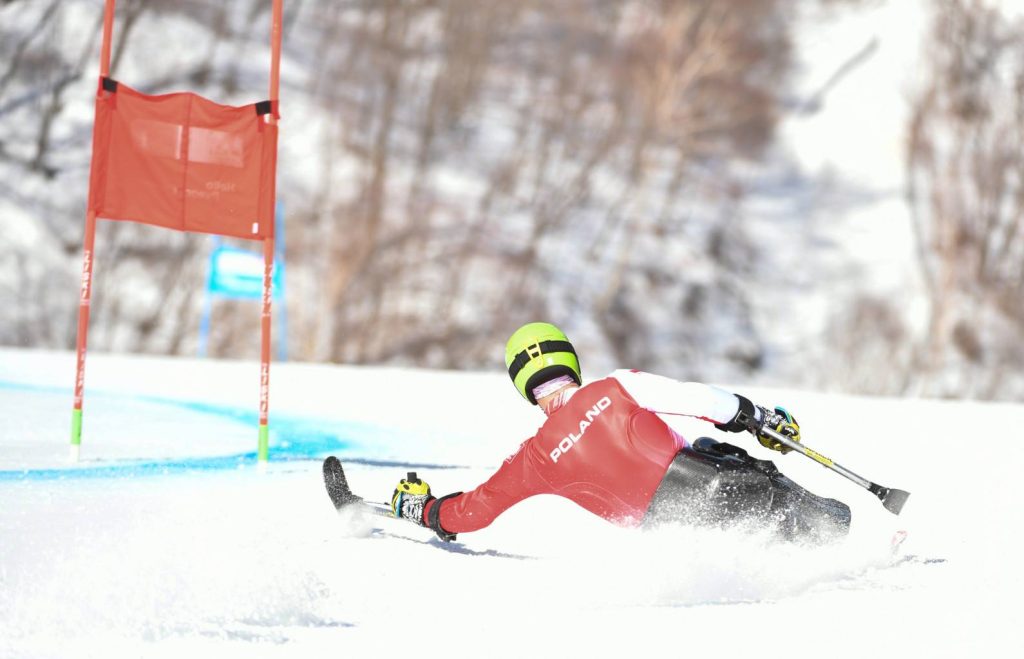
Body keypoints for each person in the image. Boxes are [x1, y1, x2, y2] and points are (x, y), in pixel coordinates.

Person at [390, 322, 851, 543]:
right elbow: (704, 401)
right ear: (569, 359)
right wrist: (758, 419)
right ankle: (841, 534)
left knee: (742, 513)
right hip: (724, 484)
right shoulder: (616, 385)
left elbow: (474, 511)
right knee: (727, 456)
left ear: (521, 385)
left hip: (672, 533)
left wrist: (424, 508)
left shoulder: (533, 458)